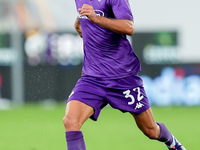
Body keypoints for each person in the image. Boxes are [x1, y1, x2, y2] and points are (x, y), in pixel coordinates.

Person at [63, 0, 187, 149]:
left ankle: (172, 142)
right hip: (92, 78)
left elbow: (129, 27)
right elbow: (84, 14)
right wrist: (80, 20)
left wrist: (96, 18)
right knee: (71, 121)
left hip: (122, 77)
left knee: (151, 130)